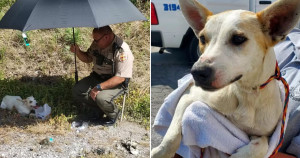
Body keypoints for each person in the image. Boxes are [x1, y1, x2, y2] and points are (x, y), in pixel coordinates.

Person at [70, 26, 134, 125]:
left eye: (96, 40)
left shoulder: (122, 50)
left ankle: (113, 114)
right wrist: (77, 51)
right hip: (96, 77)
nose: (94, 42)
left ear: (106, 37)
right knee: (77, 90)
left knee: (101, 97)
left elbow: (121, 78)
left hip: (114, 82)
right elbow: (88, 58)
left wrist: (99, 87)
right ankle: (98, 110)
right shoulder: (97, 43)